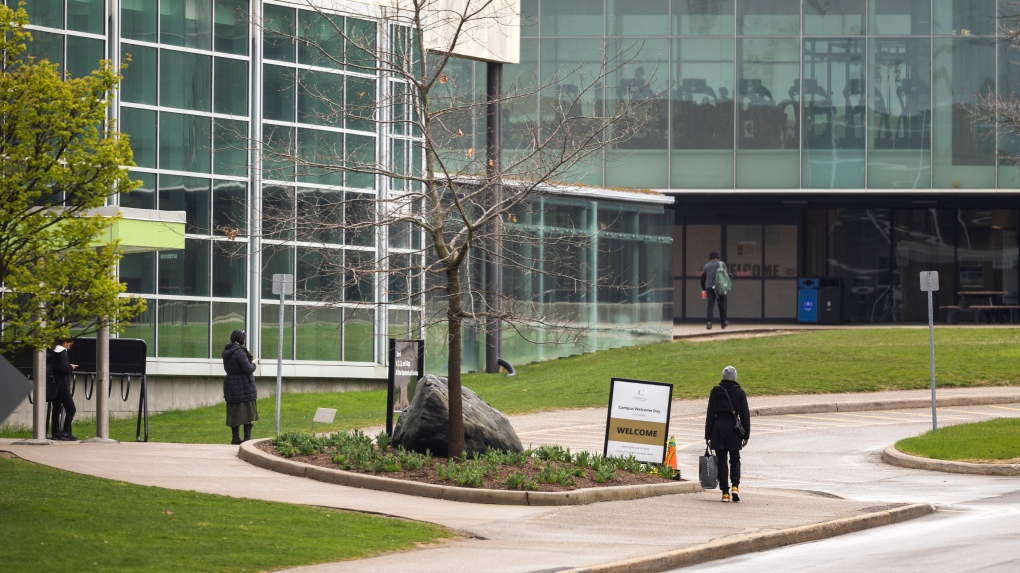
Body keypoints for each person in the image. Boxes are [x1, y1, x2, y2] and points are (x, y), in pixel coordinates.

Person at [705, 365, 750, 502]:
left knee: (722, 461)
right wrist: (746, 435)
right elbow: (745, 415)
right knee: (735, 458)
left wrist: (708, 435)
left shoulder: (715, 392)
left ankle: (725, 492)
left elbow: (710, 415)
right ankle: (735, 486)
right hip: (734, 428)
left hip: (718, 428)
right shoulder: (740, 393)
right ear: (735, 377)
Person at [222, 329, 258, 445]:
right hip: (243, 385)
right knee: (248, 412)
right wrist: (253, 364)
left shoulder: (227, 351)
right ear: (241, 340)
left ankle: (235, 438)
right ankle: (247, 438)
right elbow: (248, 369)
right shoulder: (240, 352)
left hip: (230, 385)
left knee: (234, 412)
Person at [48, 338, 78, 441]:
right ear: (65, 342)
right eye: (70, 344)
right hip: (62, 385)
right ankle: (66, 432)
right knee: (71, 408)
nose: (69, 347)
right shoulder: (63, 352)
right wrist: (71, 367)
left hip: (54, 384)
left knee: (56, 408)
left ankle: (55, 432)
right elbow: (63, 369)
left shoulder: (53, 352)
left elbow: (56, 367)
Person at [701, 251, 728, 329]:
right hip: (719, 287)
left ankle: (709, 323)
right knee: (721, 304)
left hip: (709, 287)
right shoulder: (721, 264)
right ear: (717, 256)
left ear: (710, 257)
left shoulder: (706, 266)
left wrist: (703, 288)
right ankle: (723, 322)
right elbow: (725, 275)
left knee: (710, 306)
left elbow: (703, 278)